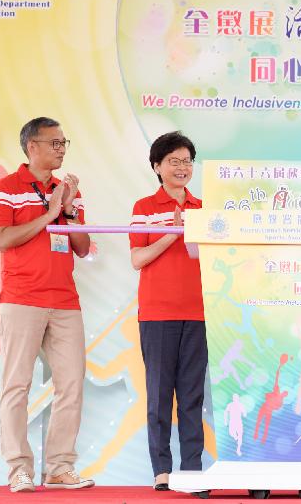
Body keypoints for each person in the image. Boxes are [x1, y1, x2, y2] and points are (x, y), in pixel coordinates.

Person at [0, 117, 93, 492]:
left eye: (65, 142)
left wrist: (67, 211)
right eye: (54, 142)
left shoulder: (67, 189)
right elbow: (3, 239)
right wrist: (47, 215)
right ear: (32, 146)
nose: (62, 148)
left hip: (65, 300)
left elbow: (81, 247)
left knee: (72, 384)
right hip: (21, 299)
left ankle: (59, 468)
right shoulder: (7, 187)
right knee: (17, 385)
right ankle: (18, 468)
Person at [130, 131, 207, 491]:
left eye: (187, 161)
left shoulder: (205, 208)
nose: (182, 167)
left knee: (192, 396)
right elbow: (138, 259)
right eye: (174, 161)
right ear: (157, 167)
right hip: (157, 314)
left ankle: (192, 468)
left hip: (199, 313)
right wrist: (172, 233)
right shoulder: (144, 208)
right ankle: (162, 470)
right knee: (159, 395)